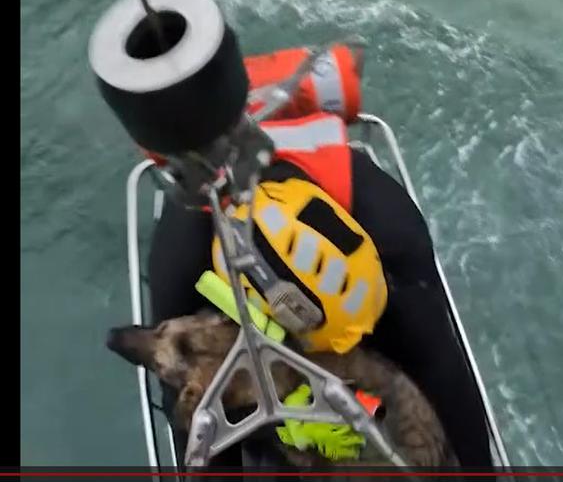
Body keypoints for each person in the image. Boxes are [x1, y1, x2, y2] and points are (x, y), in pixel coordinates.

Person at [147, 110, 495, 469]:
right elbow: (193, 416)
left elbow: (441, 363)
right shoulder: (182, 265)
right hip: (253, 335)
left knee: (427, 338)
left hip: (374, 277)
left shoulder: (395, 234)